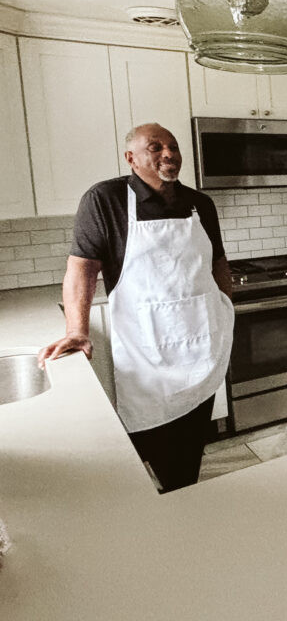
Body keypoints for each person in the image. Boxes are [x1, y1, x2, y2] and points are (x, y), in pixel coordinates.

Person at [38, 123, 235, 493]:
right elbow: (82, 268)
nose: (169, 154)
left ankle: (184, 503)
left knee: (190, 451)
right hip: (149, 356)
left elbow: (218, 263)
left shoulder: (200, 204)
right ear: (131, 158)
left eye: (173, 147)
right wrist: (76, 331)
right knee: (154, 449)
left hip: (201, 348)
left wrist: (226, 310)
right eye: (155, 147)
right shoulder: (105, 200)